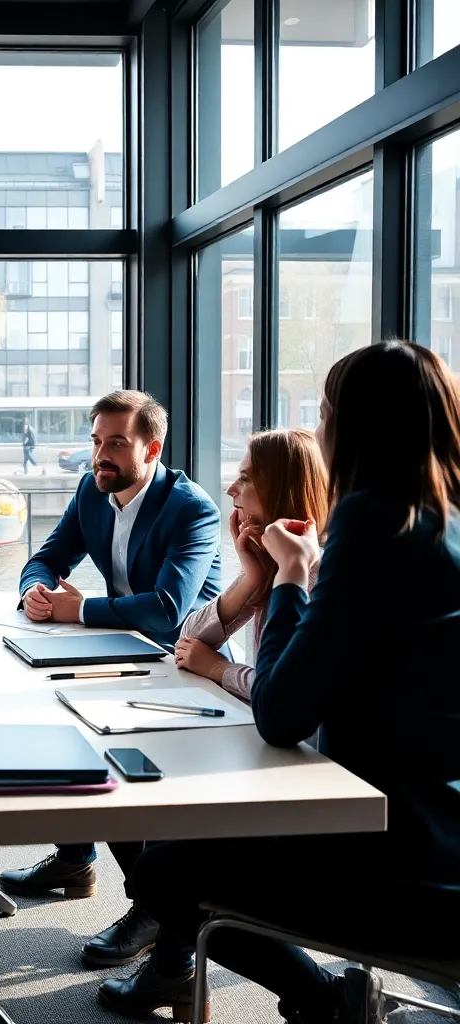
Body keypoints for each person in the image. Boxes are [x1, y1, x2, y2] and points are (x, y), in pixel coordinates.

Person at [97, 341, 460, 1024]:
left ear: (356, 427)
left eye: (325, 410)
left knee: (164, 870)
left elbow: (282, 710)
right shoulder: (441, 523)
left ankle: (329, 1001)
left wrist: (290, 577)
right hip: (436, 828)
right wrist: (259, 583)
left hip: (389, 848)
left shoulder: (372, 520)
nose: (321, 427)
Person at [0, 390, 223, 949]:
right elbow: (44, 559)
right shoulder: (92, 490)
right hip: (122, 651)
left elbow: (168, 609)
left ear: (152, 448)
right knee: (41, 716)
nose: (102, 455)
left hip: (184, 664)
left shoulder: (191, 508)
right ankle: (76, 858)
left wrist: (80, 609)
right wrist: (36, 592)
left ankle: (148, 907)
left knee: (109, 765)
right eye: (97, 441)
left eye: (116, 444)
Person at [174, 429, 328, 702]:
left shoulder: (318, 576)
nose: (230, 489)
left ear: (284, 491)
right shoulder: (270, 564)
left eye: (245, 479)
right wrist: (251, 578)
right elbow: (188, 640)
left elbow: (287, 693)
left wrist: (218, 668)